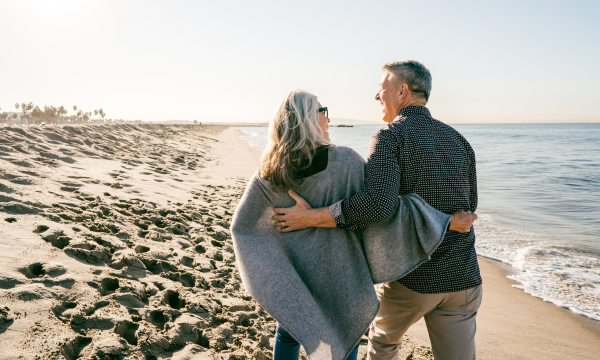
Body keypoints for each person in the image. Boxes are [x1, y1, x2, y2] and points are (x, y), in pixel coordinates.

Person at [231, 89, 476, 360]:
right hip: (342, 273)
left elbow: (243, 227)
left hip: (296, 272)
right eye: (323, 113)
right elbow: (383, 210)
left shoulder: (269, 169)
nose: (328, 120)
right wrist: (445, 221)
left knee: (288, 332)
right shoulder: (345, 161)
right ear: (307, 119)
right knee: (345, 335)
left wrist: (274, 269)